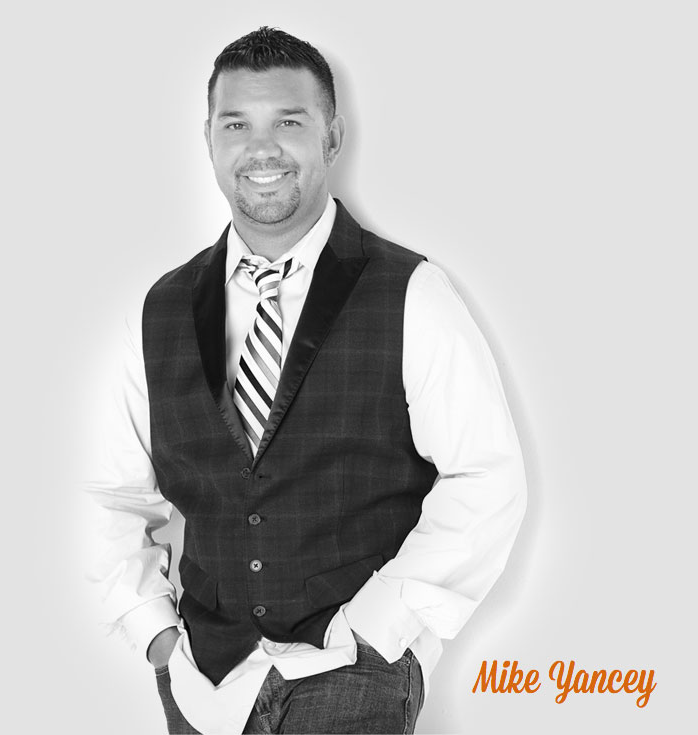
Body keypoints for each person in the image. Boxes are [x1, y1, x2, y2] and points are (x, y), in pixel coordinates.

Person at [87, 26, 527, 735]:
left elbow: (486, 475)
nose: (261, 149)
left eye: (288, 122)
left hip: (353, 672)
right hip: (204, 687)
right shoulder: (159, 309)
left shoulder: (411, 292)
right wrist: (156, 635)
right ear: (209, 140)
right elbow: (109, 495)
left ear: (332, 137)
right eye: (237, 124)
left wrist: (382, 627)